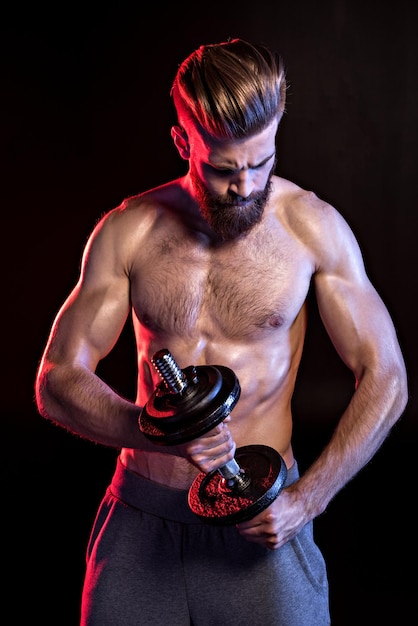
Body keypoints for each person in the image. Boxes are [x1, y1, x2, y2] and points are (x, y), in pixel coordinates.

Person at [35, 38, 408, 626]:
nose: (245, 186)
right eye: (223, 168)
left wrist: (306, 501)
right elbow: (56, 380)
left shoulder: (313, 229)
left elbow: (386, 377)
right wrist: (152, 433)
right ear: (184, 142)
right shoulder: (128, 231)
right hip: (143, 516)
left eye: (262, 163)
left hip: (260, 523)